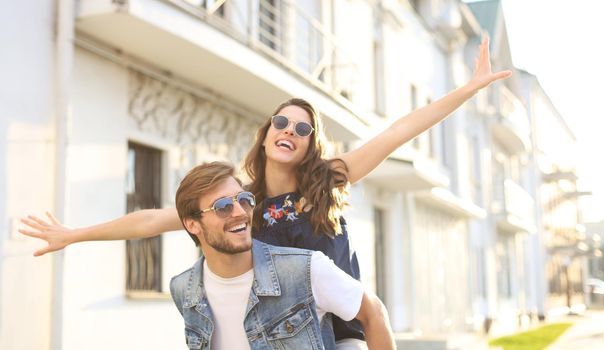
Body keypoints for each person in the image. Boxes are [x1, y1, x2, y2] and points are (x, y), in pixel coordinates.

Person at [20, 37, 511, 347]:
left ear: (309, 144)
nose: (289, 130)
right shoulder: (241, 204)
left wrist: (467, 91)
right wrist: (74, 233)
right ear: (266, 132)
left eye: (301, 128)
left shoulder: (329, 180)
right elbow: (150, 219)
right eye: (281, 120)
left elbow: (397, 131)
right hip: (278, 333)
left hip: (340, 329)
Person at [174, 161, 394, 349]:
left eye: (244, 200)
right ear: (192, 224)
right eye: (222, 207)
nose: (240, 212)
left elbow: (374, 313)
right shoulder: (184, 288)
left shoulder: (305, 269)